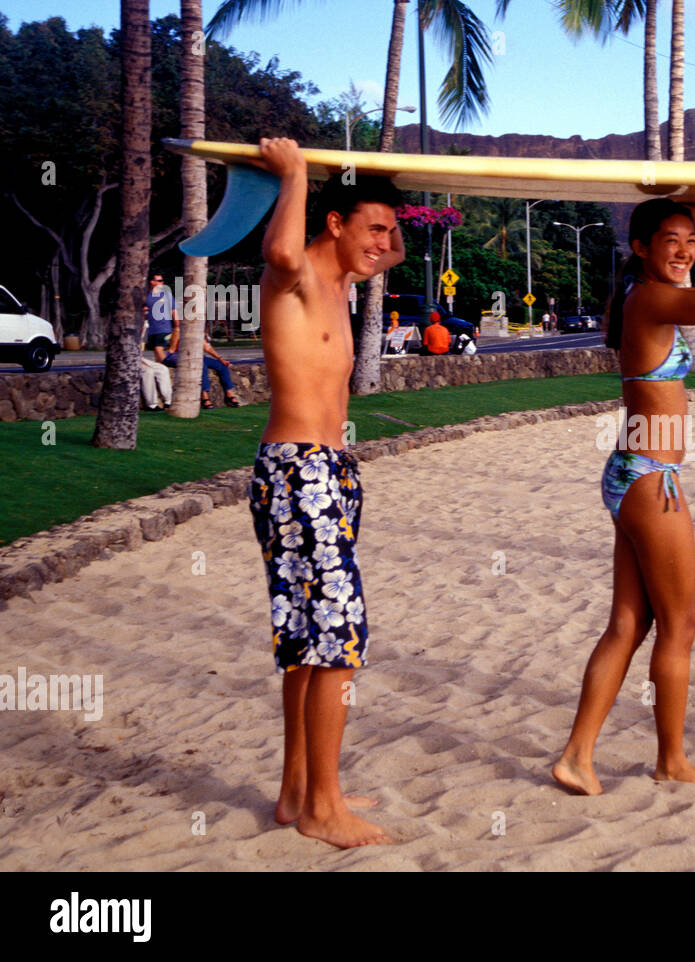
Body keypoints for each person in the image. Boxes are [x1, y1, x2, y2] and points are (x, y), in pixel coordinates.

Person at [553, 159, 695, 796]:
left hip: (635, 471)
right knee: (681, 622)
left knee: (629, 623)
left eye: (690, 242)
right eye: (672, 242)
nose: (686, 252)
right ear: (641, 247)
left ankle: (577, 756)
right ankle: (671, 759)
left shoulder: (649, 296)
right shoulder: (651, 298)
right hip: (649, 478)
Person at [245, 138, 405, 848]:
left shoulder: (343, 278)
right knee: (338, 639)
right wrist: (297, 174)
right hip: (298, 470)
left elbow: (390, 250)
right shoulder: (300, 275)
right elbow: (281, 249)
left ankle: (296, 791)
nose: (385, 244)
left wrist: (391, 189)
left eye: (389, 230)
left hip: (331, 470)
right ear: (334, 222)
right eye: (373, 228)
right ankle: (324, 807)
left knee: (309, 637)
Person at [164, 328, 244, 408]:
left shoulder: (197, 330)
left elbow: (207, 348)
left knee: (222, 366)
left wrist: (221, 359)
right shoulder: (179, 330)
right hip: (177, 356)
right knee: (201, 366)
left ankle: (229, 394)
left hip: (196, 356)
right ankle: (204, 397)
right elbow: (172, 349)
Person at [142, 273, 178, 363]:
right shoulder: (146, 296)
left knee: (158, 349)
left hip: (164, 328)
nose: (162, 282)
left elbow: (174, 310)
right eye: (159, 281)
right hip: (152, 329)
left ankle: (170, 367)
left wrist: (177, 325)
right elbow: (144, 312)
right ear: (152, 282)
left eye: (162, 281)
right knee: (156, 354)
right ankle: (161, 369)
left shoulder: (166, 295)